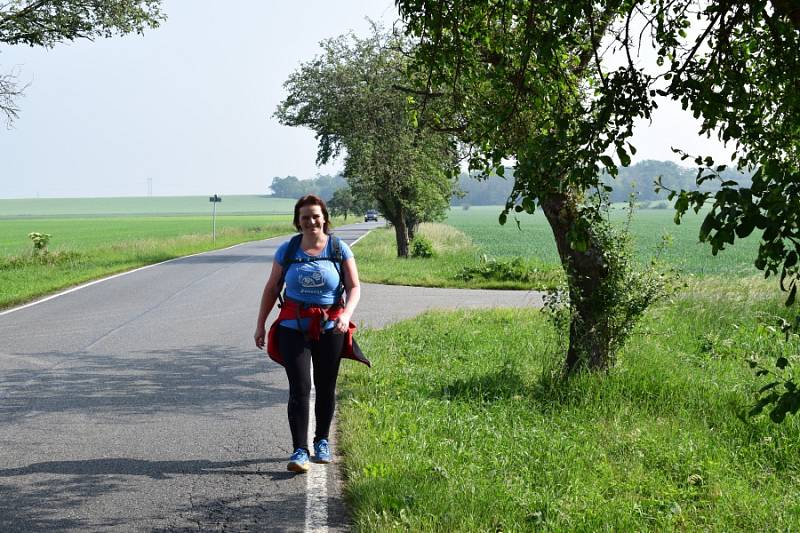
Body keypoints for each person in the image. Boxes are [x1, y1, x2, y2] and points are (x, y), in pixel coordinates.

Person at [254, 194, 369, 473]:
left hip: (331, 328)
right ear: (298, 221)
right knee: (300, 388)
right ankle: (299, 450)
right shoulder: (288, 250)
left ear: (324, 218)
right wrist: (260, 325)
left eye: (315, 216)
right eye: (305, 217)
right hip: (294, 328)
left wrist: (346, 315)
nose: (311, 221)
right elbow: (271, 289)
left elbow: (354, 286)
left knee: (326, 387)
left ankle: (322, 441)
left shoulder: (339, 249)